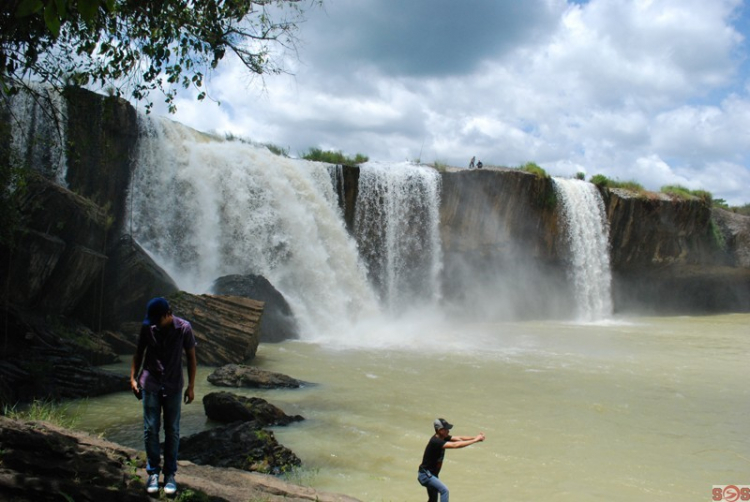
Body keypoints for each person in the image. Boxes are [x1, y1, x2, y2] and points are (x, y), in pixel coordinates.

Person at [130, 297, 197, 496]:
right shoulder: (148, 327)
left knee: (172, 430)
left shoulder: (184, 328)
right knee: (150, 429)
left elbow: (192, 359)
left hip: (174, 385)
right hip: (150, 382)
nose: (153, 324)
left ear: (168, 314)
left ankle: (169, 475)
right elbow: (139, 352)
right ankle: (152, 472)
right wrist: (132, 378)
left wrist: (192, 387)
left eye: (156, 320)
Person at [417, 418, 485, 502]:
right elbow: (455, 445)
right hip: (426, 476)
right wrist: (475, 440)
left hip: (431, 475)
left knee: (433, 500)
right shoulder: (436, 441)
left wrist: (476, 438)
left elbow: (459, 438)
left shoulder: (443, 438)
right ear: (440, 430)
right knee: (444, 491)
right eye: (446, 429)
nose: (448, 431)